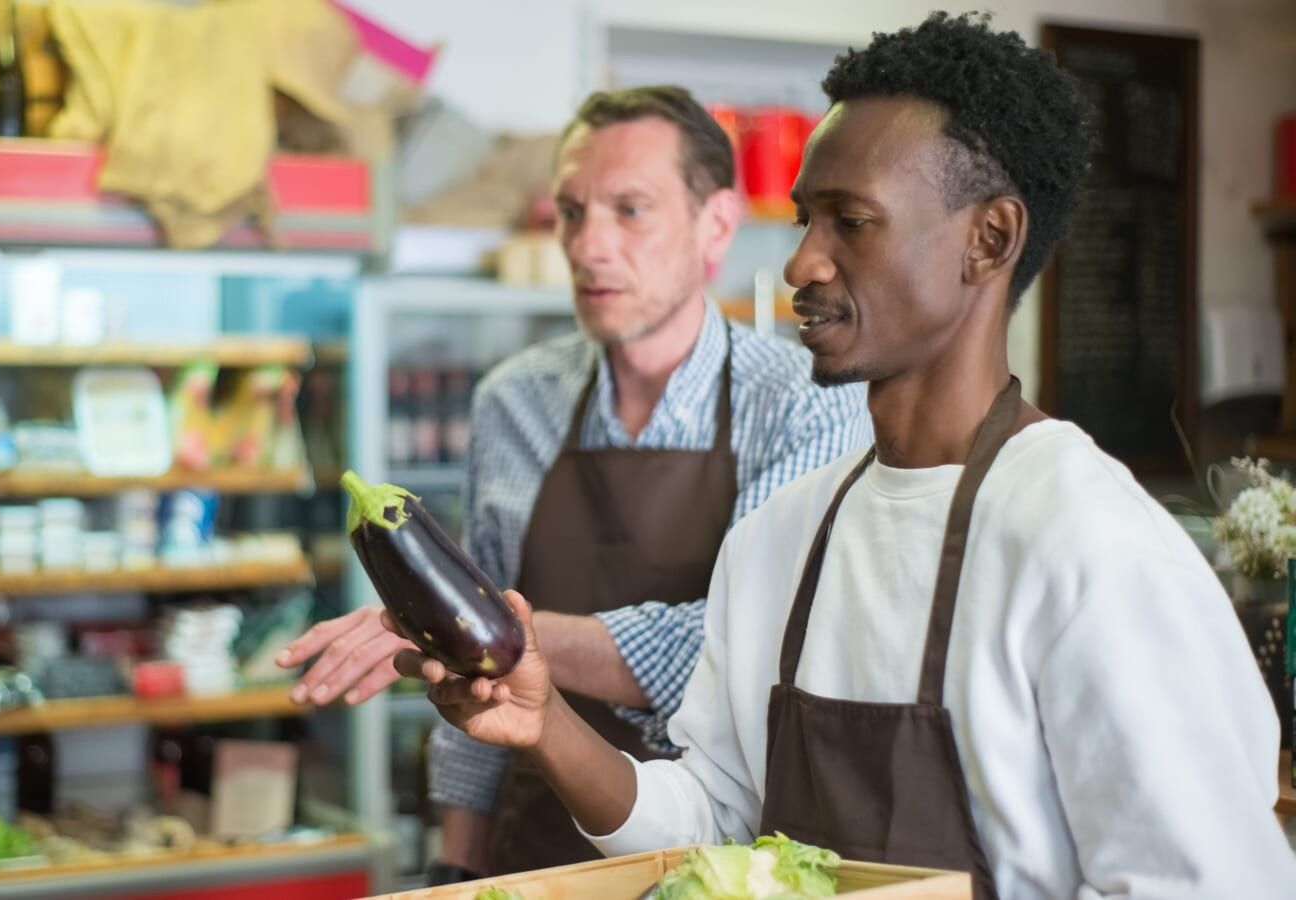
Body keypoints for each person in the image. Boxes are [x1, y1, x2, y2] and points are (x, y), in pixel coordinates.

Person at [393, 13, 1296, 899]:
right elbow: (715, 821)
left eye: (849, 224)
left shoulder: (1093, 548)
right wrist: (545, 721)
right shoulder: (780, 539)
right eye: (803, 221)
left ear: (990, 239)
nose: (801, 265)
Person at [278, 85, 872, 880]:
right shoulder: (513, 402)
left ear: (716, 225)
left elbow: (742, 645)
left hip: (721, 867)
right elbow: (469, 704)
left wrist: (468, 628)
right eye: (570, 211)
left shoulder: (809, 405)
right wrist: (457, 867)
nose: (589, 246)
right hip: (535, 864)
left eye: (630, 210)